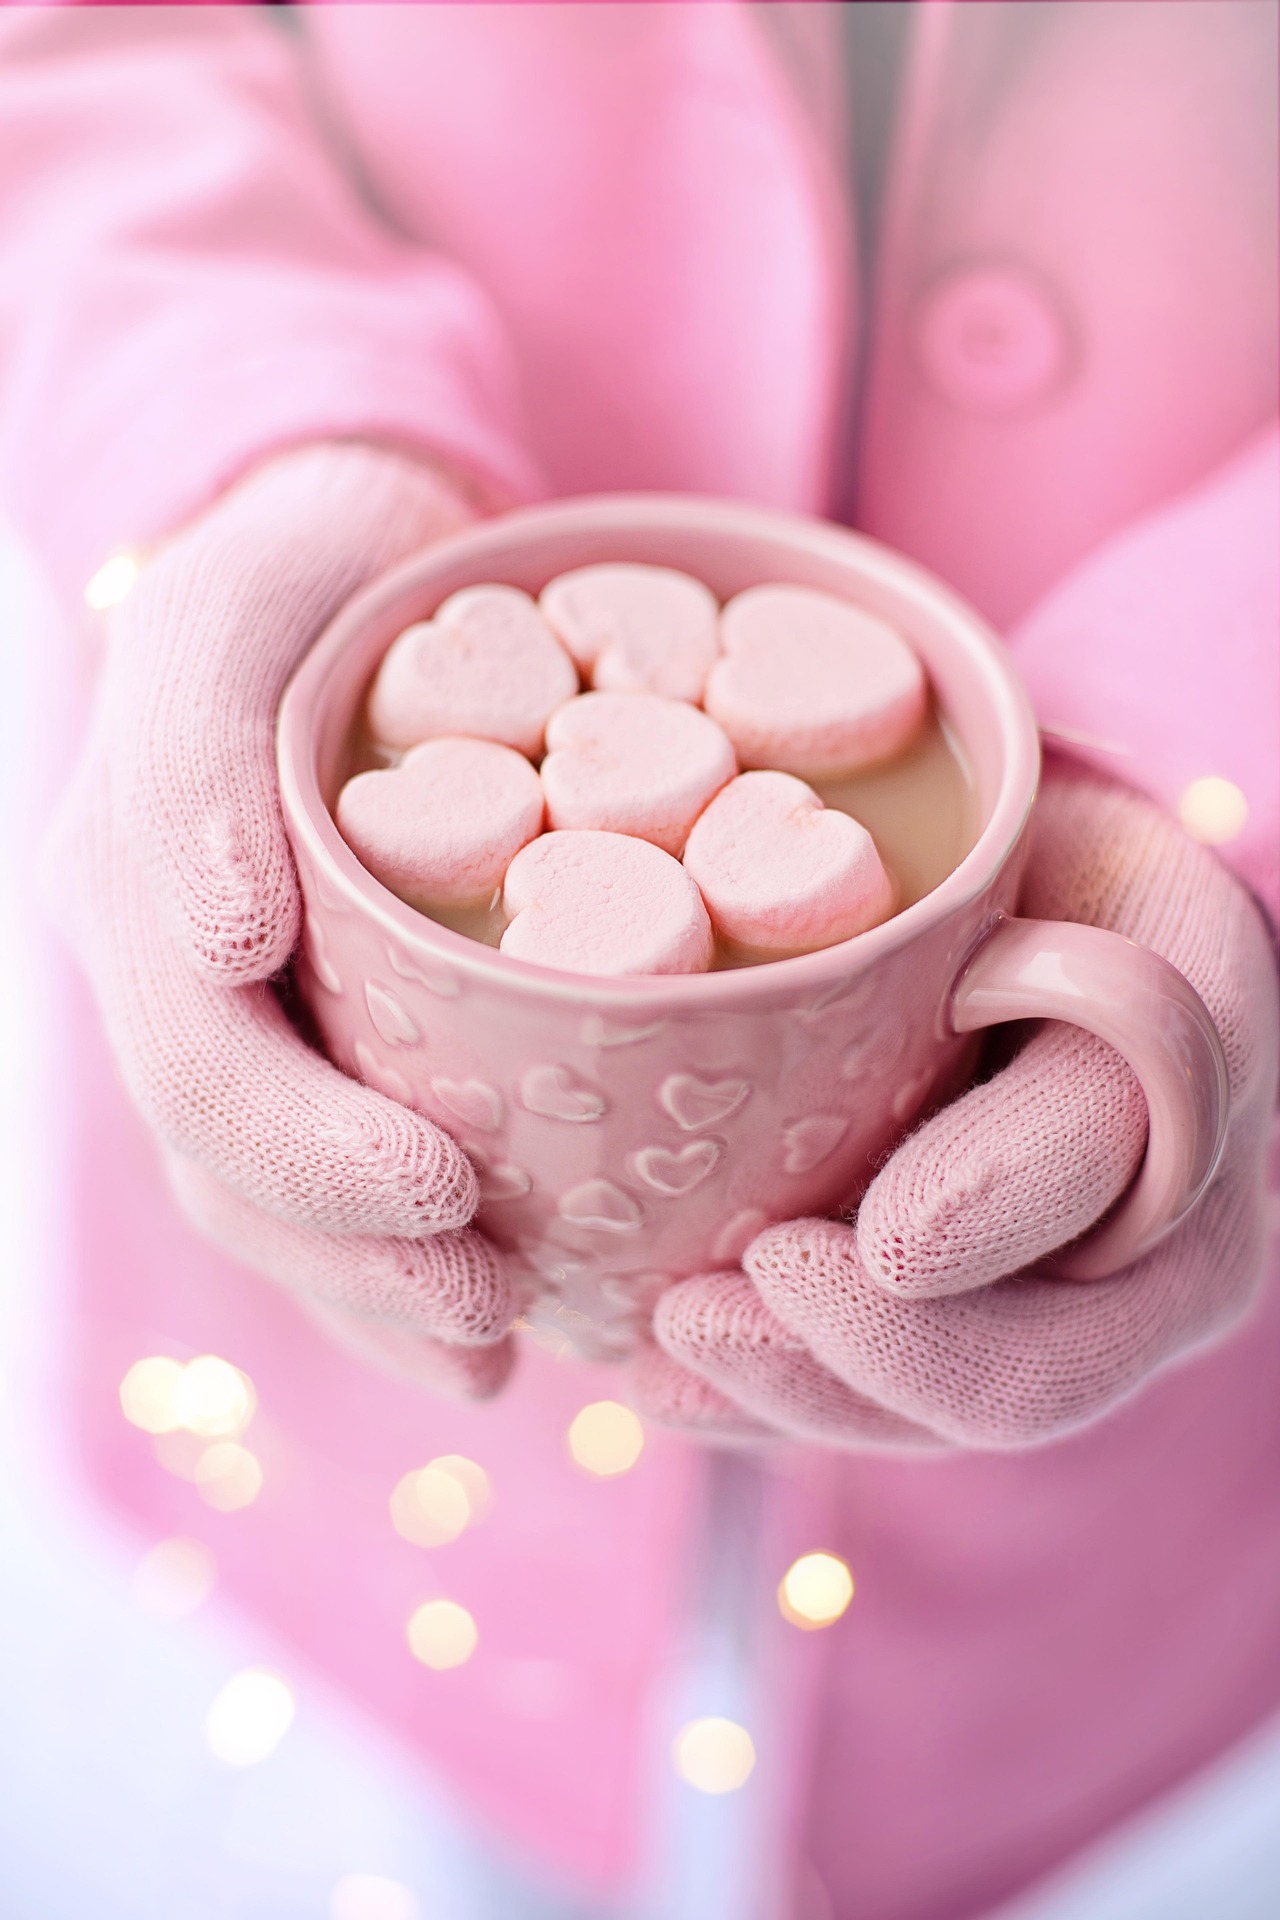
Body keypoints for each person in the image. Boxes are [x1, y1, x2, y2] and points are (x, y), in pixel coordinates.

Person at [0, 4, 1276, 1916]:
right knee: (462, 1815)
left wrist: (1226, 719)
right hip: (394, 1417)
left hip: (1138, 1511)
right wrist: (255, 425)